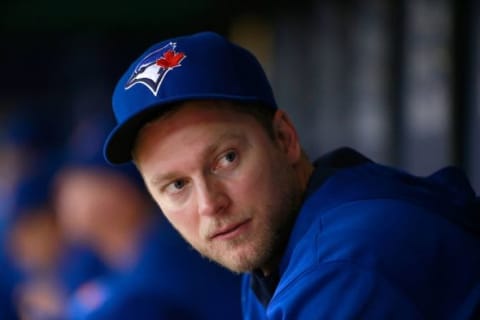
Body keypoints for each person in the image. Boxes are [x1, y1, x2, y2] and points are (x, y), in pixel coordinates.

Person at [101, 31, 480, 319]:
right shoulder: (276, 252)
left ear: (284, 138)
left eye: (227, 159)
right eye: (177, 185)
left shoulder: (343, 260)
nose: (210, 204)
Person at [55, 114, 243, 320]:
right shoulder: (91, 260)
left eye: (87, 182)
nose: (65, 196)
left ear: (124, 192)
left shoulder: (177, 255)